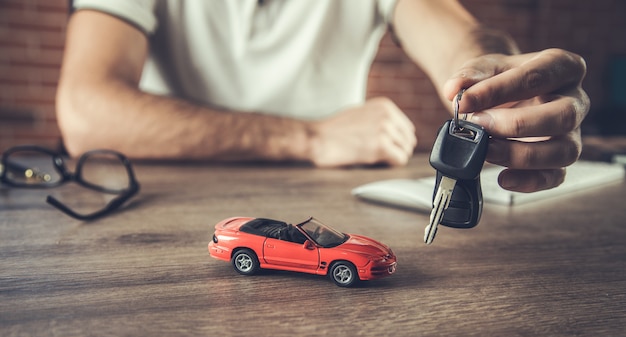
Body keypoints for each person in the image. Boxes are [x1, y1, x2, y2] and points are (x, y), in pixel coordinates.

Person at [56, 0, 590, 193]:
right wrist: (308, 136)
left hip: (338, 201)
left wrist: (496, 68)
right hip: (160, 205)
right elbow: (86, 110)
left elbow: (459, 39)